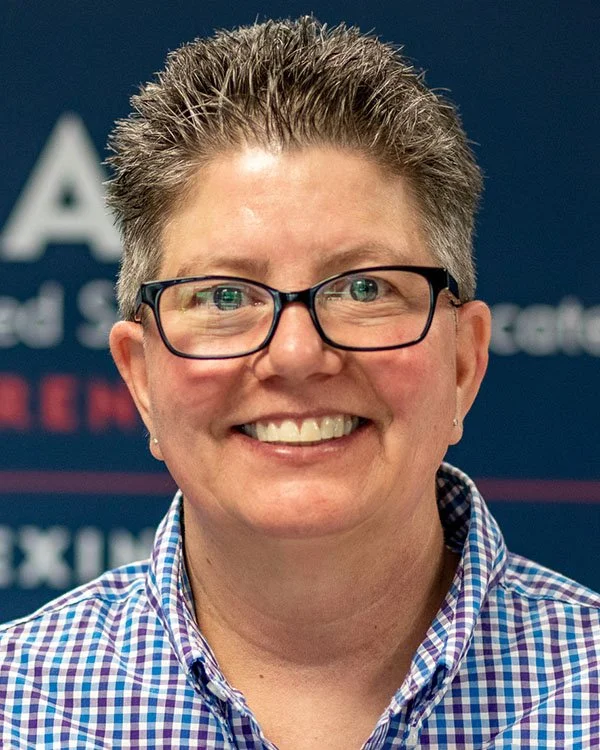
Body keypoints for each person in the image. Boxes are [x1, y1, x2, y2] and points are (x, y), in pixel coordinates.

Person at [1, 17, 599, 749]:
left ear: (463, 364)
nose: (295, 354)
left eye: (365, 288)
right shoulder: (15, 704)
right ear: (141, 377)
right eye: (224, 296)